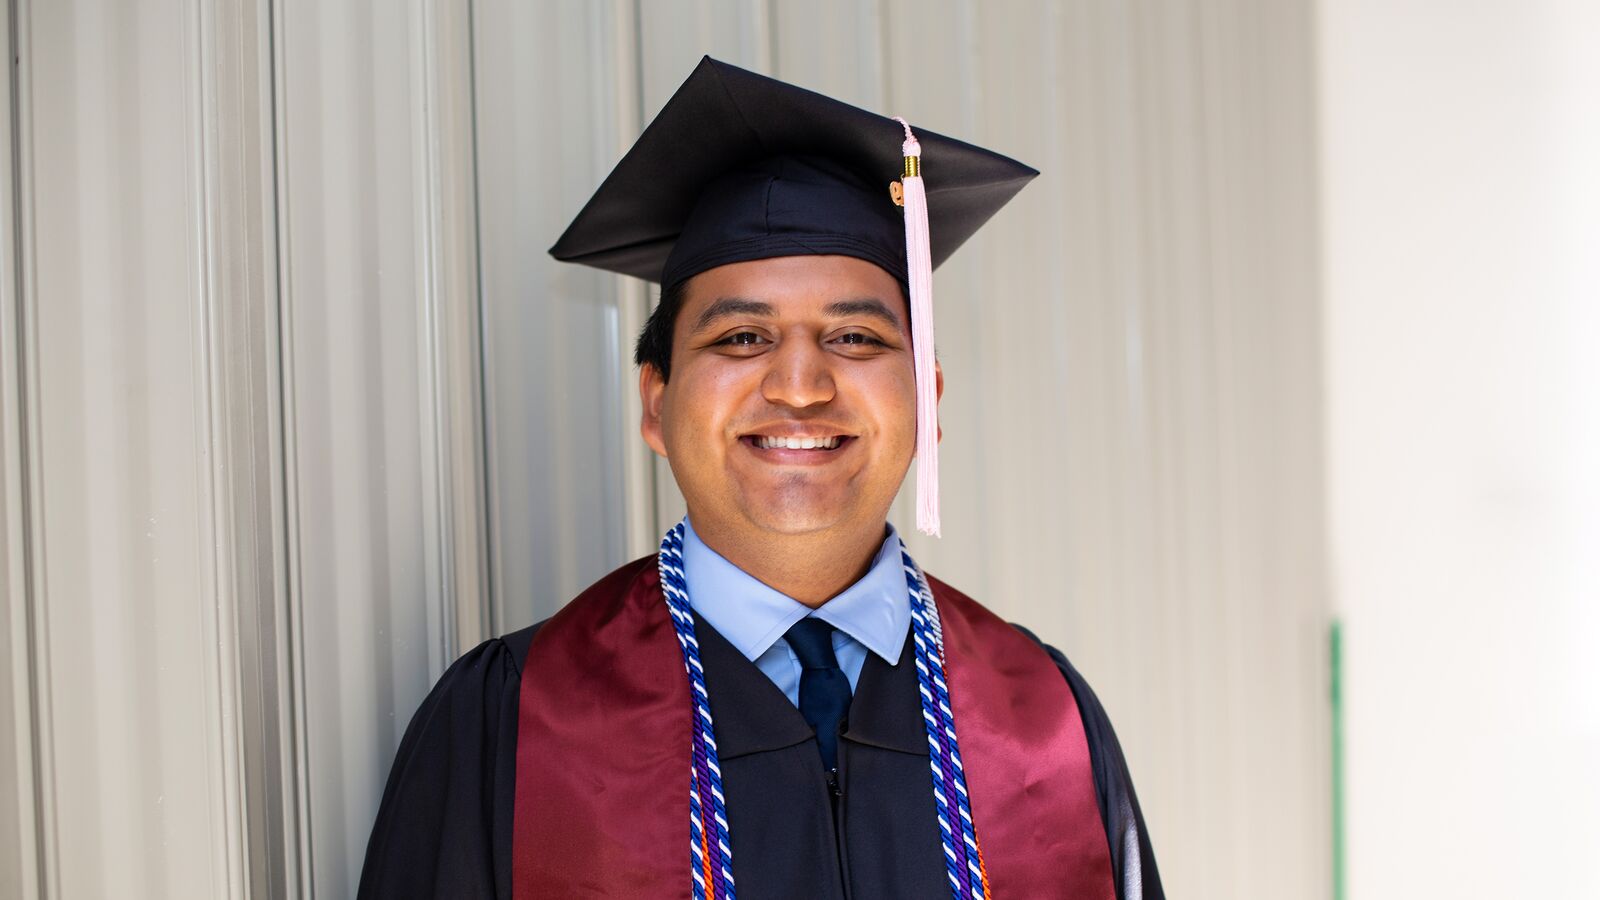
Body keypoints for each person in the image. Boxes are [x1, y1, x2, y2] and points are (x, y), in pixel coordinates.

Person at [359, 57, 1163, 900]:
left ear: (925, 399)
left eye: (855, 340)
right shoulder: (518, 721)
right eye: (741, 339)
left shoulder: (1045, 720)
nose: (801, 385)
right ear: (655, 403)